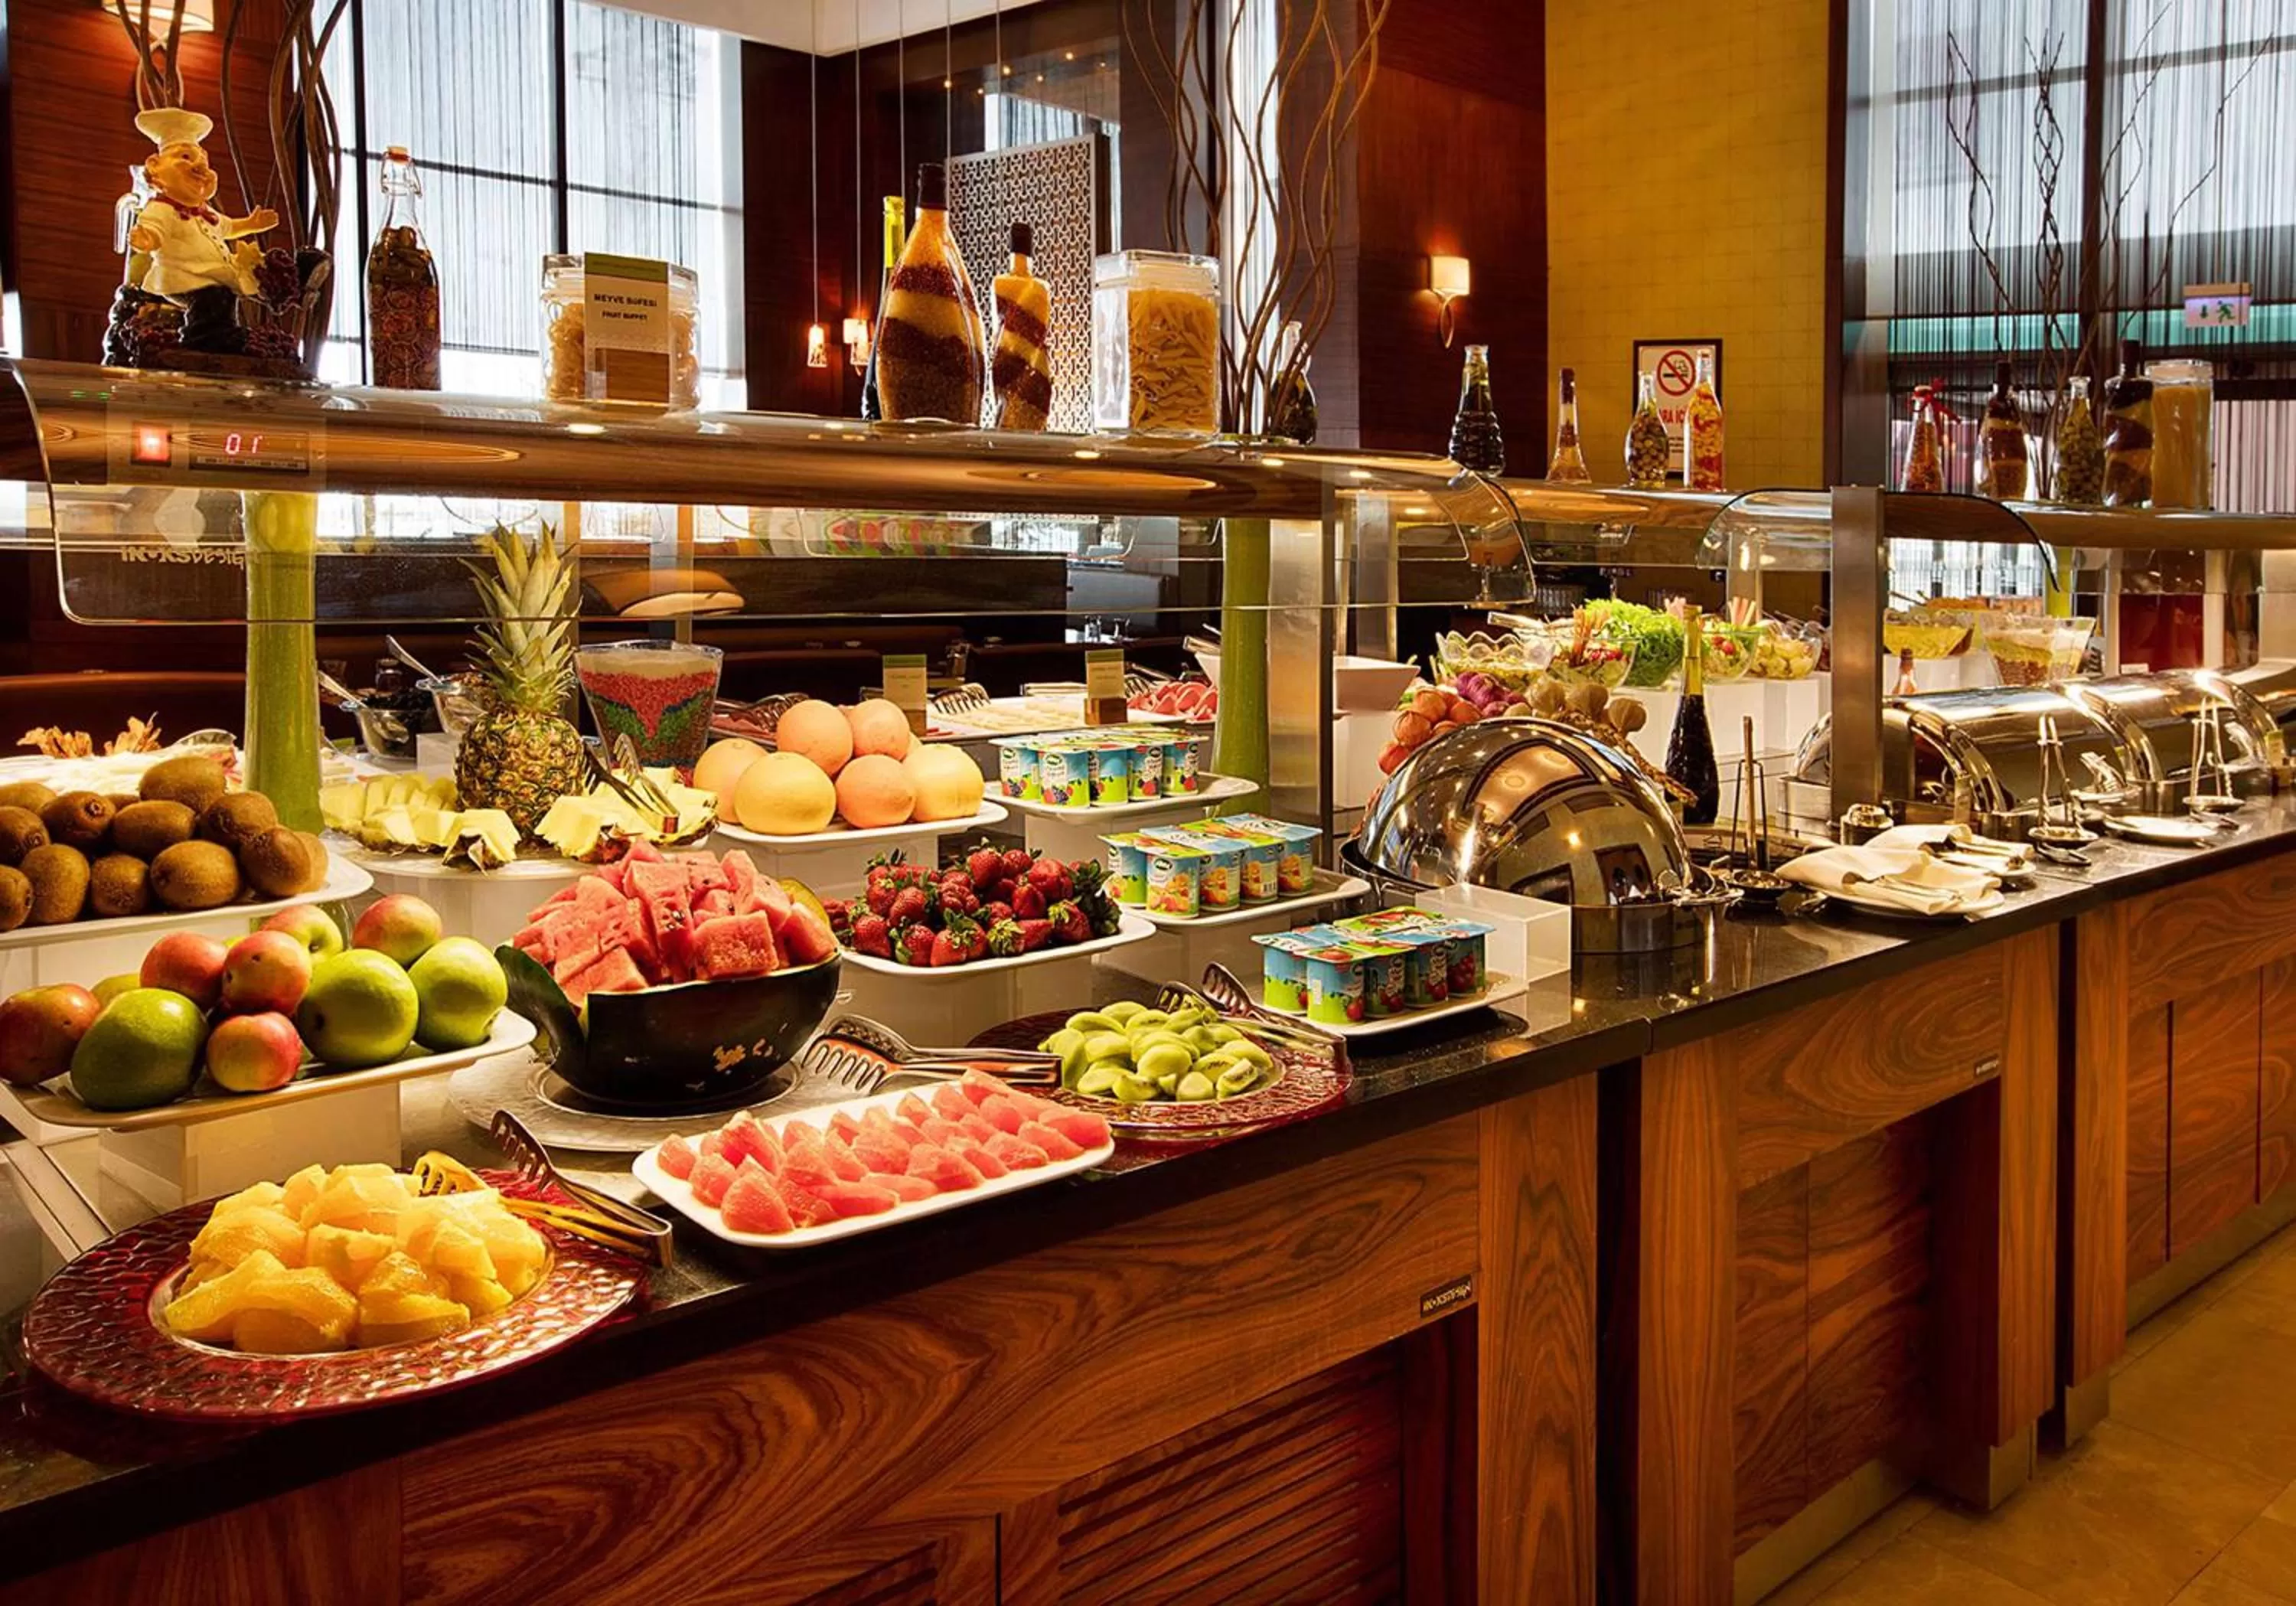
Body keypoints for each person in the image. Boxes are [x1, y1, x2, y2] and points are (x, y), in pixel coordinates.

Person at [125, 107, 278, 354]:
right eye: (185, 158)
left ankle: (221, 336)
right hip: (182, 276)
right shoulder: (162, 208)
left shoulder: (206, 212)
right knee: (212, 298)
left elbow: (227, 227)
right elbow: (154, 230)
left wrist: (251, 223)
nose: (199, 167)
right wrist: (147, 238)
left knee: (225, 296)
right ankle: (202, 337)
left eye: (203, 162)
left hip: (207, 274)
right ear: (155, 166)